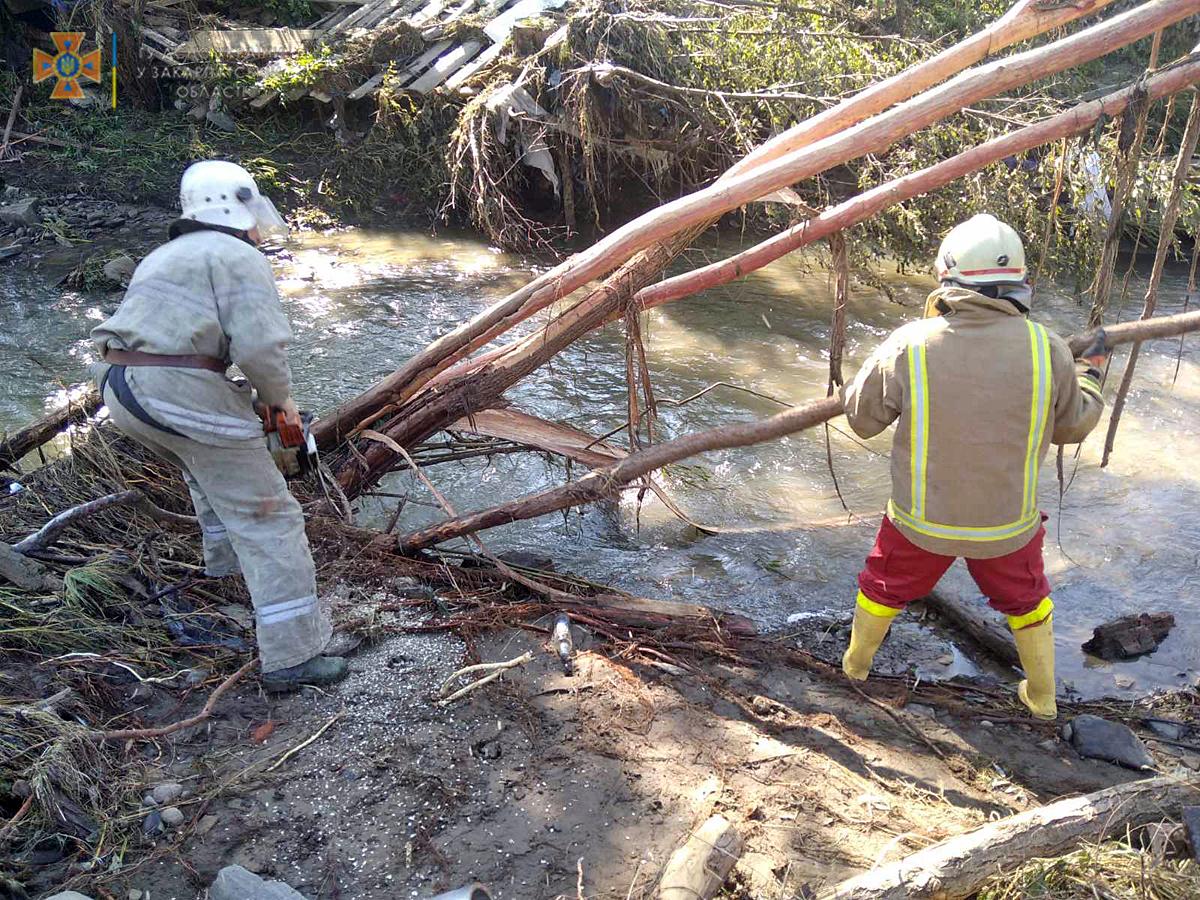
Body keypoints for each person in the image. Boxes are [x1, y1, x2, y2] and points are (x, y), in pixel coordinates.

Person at [91, 160, 346, 692]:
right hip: (177, 392)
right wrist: (281, 406)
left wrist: (245, 400)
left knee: (206, 477)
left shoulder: (164, 254)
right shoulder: (237, 256)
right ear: (238, 205)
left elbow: (187, 342)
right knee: (271, 517)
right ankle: (293, 655)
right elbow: (259, 347)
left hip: (122, 388)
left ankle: (225, 575)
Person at [840, 214, 1106, 719]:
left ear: (947, 278)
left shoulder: (911, 344)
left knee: (882, 585)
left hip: (920, 524)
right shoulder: (1047, 347)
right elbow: (1074, 426)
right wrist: (1091, 373)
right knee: (1028, 601)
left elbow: (862, 418)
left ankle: (854, 668)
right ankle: (1043, 699)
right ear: (1021, 284)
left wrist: (857, 384)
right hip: (1007, 528)